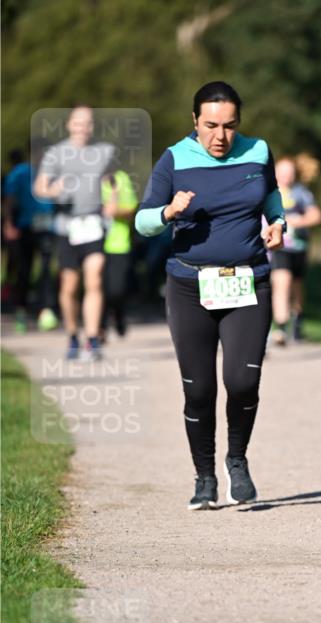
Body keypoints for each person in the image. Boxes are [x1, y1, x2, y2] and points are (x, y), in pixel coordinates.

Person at [135, 81, 287, 510]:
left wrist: (278, 223)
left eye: (230, 126)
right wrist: (168, 212)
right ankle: (204, 478)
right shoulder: (175, 159)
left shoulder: (257, 151)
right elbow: (142, 222)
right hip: (189, 286)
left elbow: (271, 196)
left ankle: (236, 460)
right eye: (211, 126)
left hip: (248, 281)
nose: (220, 136)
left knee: (243, 381)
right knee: (198, 390)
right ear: (194, 121)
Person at [34, 105, 116, 360]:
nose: (82, 127)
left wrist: (112, 200)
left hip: (94, 223)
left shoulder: (104, 152)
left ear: (92, 126)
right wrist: (52, 190)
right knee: (69, 286)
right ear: (69, 125)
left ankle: (91, 339)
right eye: (78, 123)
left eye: (87, 123)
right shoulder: (56, 153)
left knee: (95, 279)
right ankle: (72, 335)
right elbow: (39, 188)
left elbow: (112, 180)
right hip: (67, 225)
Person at [3, 144, 58, 332]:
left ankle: (46, 309)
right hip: (25, 227)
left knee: (46, 269)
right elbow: (9, 199)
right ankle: (21, 310)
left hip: (47, 227)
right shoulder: (20, 173)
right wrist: (9, 223)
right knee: (24, 271)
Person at [270, 155, 321, 344]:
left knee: (297, 287)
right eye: (282, 172)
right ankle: (281, 327)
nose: (286, 176)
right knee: (281, 283)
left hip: (299, 247)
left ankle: (297, 321)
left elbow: (316, 216)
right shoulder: (269, 192)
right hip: (278, 247)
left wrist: (297, 221)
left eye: (290, 173)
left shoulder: (301, 193)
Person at [101, 169, 138, 338]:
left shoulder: (121, 177)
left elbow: (131, 210)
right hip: (92, 242)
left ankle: (118, 314)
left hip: (118, 244)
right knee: (97, 287)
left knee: (116, 290)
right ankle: (98, 329)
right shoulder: (85, 177)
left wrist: (114, 207)